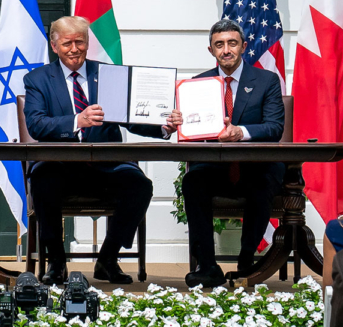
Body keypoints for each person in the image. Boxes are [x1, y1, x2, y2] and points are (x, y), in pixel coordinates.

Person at [23, 16, 182, 285]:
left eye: (80, 42)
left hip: (107, 166)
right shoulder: (38, 79)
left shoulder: (109, 75)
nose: (74, 49)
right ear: (54, 46)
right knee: (42, 180)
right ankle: (56, 262)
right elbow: (36, 125)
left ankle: (108, 259)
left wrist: (164, 126)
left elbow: (131, 117)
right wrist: (77, 120)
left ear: (88, 43)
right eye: (67, 43)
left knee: (140, 185)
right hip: (60, 165)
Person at [182, 19, 284, 288]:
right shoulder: (196, 84)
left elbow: (274, 127)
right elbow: (192, 131)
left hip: (254, 167)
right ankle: (207, 266)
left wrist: (241, 132)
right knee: (192, 181)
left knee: (264, 180)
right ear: (211, 50)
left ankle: (247, 260)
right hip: (215, 167)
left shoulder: (267, 81)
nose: (226, 50)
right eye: (219, 45)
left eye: (232, 43)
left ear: (244, 46)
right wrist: (181, 123)